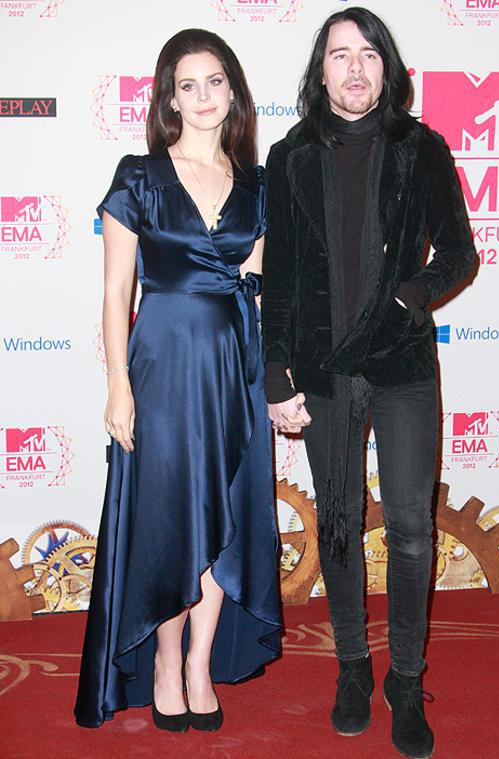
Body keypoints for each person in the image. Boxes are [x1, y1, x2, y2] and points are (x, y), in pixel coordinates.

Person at [261, 7, 477, 759]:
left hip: (402, 364)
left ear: (387, 67)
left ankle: (406, 680)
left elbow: (458, 253)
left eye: (368, 54)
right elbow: (280, 279)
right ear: (320, 72)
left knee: (412, 528)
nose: (355, 69)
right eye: (339, 55)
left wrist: (408, 298)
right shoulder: (289, 156)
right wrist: (275, 372)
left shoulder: (424, 148)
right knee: (338, 521)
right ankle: (353, 665)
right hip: (322, 369)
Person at [74, 28, 281, 733]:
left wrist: (271, 379)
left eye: (215, 81)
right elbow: (115, 293)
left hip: (234, 367)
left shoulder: (257, 184)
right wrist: (118, 383)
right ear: (169, 98)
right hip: (162, 365)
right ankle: (165, 661)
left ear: (234, 92)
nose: (203, 96)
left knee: (227, 515)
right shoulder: (140, 177)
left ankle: (199, 664)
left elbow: (257, 284)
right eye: (187, 85)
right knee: (169, 519)